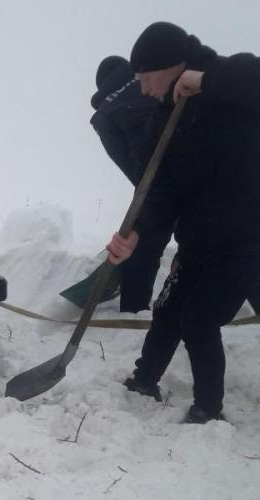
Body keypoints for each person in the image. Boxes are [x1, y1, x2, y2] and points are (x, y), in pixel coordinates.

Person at [106, 22, 260, 424]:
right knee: (168, 309)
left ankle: (208, 409)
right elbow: (163, 191)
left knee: (200, 320)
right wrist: (137, 233)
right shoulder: (166, 117)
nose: (141, 88)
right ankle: (144, 381)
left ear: (169, 65)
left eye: (144, 78)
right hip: (198, 241)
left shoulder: (228, 82)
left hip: (244, 240)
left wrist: (208, 80)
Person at [90, 55, 174, 313]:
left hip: (162, 182)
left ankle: (134, 308)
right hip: (201, 169)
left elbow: (143, 160)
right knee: (237, 242)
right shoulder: (153, 81)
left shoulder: (106, 114)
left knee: (143, 241)